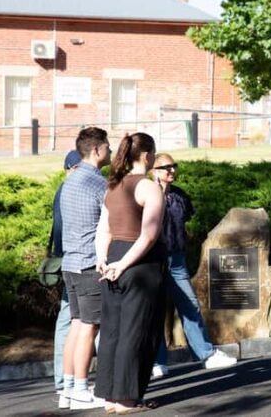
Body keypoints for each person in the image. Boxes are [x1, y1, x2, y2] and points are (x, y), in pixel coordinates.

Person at [94, 132, 167, 414]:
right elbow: (148, 235)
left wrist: (104, 260)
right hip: (140, 265)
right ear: (147, 156)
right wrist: (123, 264)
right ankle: (125, 400)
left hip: (112, 259)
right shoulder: (149, 188)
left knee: (112, 331)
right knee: (136, 331)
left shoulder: (112, 187)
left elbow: (104, 230)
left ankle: (109, 398)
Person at [150, 153, 237, 377]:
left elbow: (184, 221)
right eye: (166, 167)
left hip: (176, 258)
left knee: (190, 306)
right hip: (154, 259)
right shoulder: (148, 193)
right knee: (155, 311)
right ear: (153, 170)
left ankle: (206, 354)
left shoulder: (179, 195)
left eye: (174, 166)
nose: (171, 170)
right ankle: (157, 361)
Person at [59, 127, 111, 410]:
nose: (110, 151)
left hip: (70, 263)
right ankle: (80, 389)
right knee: (89, 327)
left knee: (78, 324)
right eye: (108, 146)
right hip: (89, 262)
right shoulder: (97, 182)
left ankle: (68, 389)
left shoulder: (70, 180)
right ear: (97, 149)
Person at [52, 150, 81, 398]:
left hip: (68, 259)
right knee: (78, 319)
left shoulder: (64, 190)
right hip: (76, 260)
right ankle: (66, 380)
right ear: (71, 168)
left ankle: (64, 380)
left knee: (70, 317)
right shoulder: (69, 190)